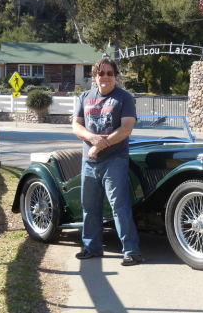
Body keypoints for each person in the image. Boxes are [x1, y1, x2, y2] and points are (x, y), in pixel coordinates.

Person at [72, 57, 143, 266]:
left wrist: (99, 145)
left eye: (110, 73)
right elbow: (76, 126)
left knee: (119, 206)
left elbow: (126, 128)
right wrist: (92, 139)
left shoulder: (124, 98)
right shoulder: (85, 97)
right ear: (95, 76)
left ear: (115, 76)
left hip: (115, 160)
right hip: (89, 161)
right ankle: (92, 247)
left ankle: (132, 251)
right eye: (101, 73)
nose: (105, 77)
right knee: (89, 206)